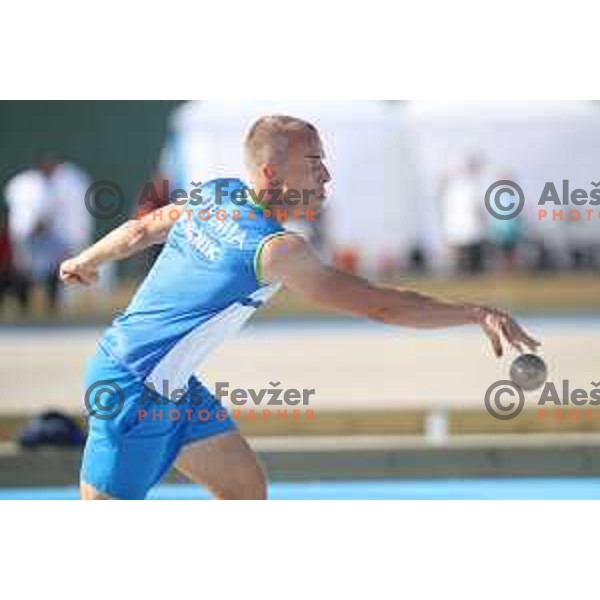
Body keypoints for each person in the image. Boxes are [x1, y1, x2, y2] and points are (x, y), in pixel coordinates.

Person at [60, 115, 540, 500]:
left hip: (173, 387)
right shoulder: (276, 249)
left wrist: (86, 260)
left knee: (245, 490)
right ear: (272, 174)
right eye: (314, 162)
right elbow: (382, 307)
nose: (326, 174)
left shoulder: (218, 193)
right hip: (130, 387)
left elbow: (142, 230)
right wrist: (476, 313)